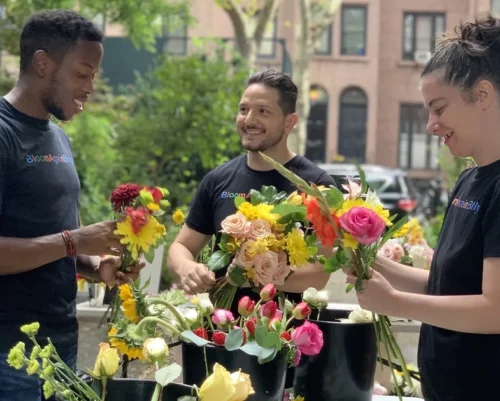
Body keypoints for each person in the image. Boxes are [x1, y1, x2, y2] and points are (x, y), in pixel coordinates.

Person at [346, 15, 500, 401]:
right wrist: (368, 262)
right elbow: (445, 285)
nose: (431, 125)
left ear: (482, 95)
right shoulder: (470, 179)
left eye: (439, 108)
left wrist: (394, 303)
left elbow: (493, 309)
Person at [0, 10, 143, 401]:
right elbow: (62, 240)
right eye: (82, 74)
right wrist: (74, 240)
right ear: (43, 63)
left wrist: (96, 266)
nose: (91, 87)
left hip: (61, 346)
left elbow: (56, 243)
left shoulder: (58, 139)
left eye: (94, 75)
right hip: (9, 358)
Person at [167, 69, 335, 309]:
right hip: (219, 333)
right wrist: (188, 269)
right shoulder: (217, 180)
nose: (248, 120)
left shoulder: (317, 186)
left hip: (290, 336)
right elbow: (181, 246)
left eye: (263, 112)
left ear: (290, 122)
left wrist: (250, 274)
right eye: (243, 109)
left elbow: (318, 275)